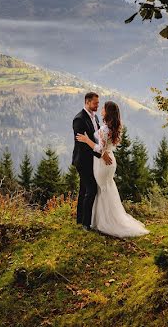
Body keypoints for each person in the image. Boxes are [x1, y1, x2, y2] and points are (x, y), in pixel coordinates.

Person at [76, 101, 149, 238]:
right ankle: (103, 219)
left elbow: (99, 149)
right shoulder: (114, 126)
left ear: (107, 112)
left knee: (102, 189)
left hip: (103, 161)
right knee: (106, 188)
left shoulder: (104, 129)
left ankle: (106, 222)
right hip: (110, 160)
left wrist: (86, 140)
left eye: (103, 108)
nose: (101, 109)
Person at [71, 92, 112, 230]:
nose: (97, 105)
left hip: (93, 160)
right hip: (83, 160)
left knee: (84, 190)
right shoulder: (79, 120)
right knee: (91, 189)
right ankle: (86, 224)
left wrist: (102, 152)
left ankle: (80, 220)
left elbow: (98, 140)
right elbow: (83, 145)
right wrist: (101, 155)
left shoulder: (96, 118)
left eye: (98, 103)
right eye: (95, 103)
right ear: (87, 102)